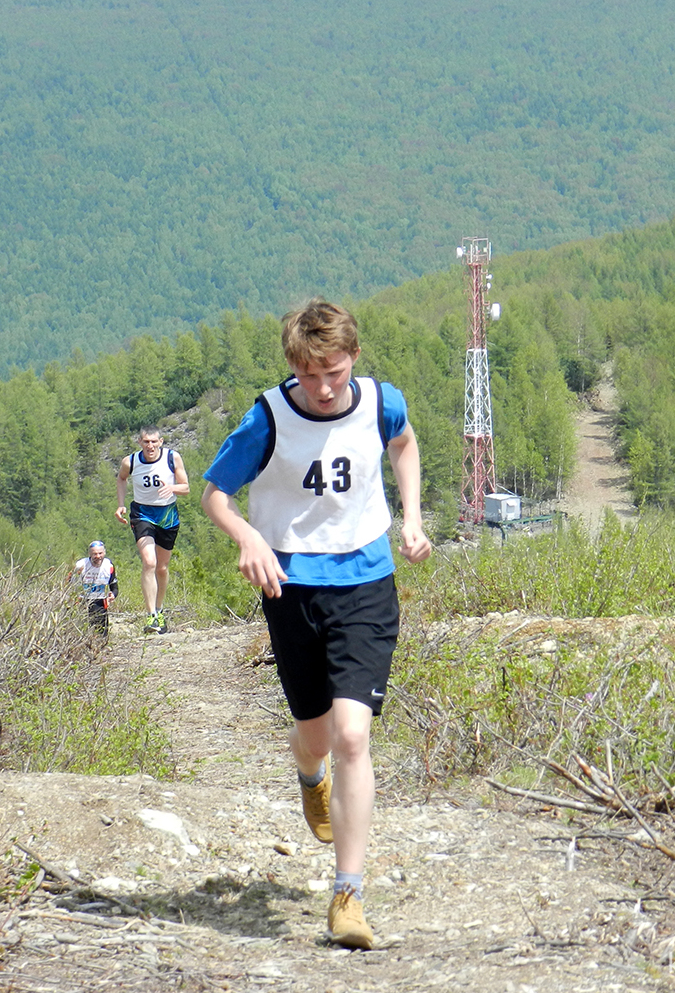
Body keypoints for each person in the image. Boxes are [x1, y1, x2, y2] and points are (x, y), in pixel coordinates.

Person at [200, 299, 432, 950]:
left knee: (353, 735)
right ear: (292, 367)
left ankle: (348, 894)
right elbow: (215, 492)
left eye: (333, 371)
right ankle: (310, 777)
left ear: (353, 357)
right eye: (309, 373)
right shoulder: (268, 417)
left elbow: (405, 443)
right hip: (291, 585)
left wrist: (410, 516)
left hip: (365, 579)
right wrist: (248, 536)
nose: (324, 387)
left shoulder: (381, 401)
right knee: (315, 737)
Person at [115, 426, 190, 634]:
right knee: (149, 562)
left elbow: (186, 487)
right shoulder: (130, 462)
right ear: (140, 442)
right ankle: (151, 616)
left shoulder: (172, 458)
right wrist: (121, 503)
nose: (150, 446)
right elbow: (121, 478)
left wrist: (172, 488)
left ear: (161, 441)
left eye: (154, 442)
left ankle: (159, 609)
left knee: (162, 568)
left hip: (167, 515)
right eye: (146, 442)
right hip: (142, 514)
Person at [68, 540, 119, 636]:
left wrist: (112, 595)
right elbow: (69, 585)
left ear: (104, 552)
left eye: (100, 553)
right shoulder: (81, 566)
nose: (98, 557)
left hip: (100, 602)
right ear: (89, 554)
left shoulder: (109, 566)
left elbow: (114, 587)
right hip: (82, 602)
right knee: (81, 633)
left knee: (101, 634)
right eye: (95, 554)